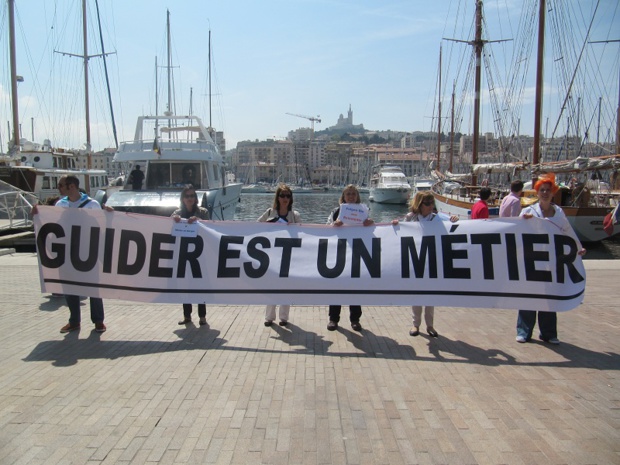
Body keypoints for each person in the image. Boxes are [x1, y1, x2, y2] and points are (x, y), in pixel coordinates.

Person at [32, 175, 109, 333]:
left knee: (93, 288)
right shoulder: (60, 204)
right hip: (67, 252)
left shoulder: (92, 204)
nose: (58, 188)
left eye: (61, 185)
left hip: (88, 252)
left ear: (71, 186)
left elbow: (102, 226)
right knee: (69, 287)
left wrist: (109, 213)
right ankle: (74, 321)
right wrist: (36, 212)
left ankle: (98, 321)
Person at [516, 173, 586, 344]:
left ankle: (548, 333)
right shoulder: (528, 211)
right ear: (537, 192)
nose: (545, 193)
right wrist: (523, 221)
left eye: (548, 190)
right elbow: (515, 230)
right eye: (542, 190)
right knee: (529, 295)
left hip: (552, 262)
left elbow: (568, 232)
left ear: (553, 192)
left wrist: (578, 248)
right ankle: (524, 331)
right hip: (531, 260)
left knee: (549, 296)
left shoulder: (559, 213)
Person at [392, 192, 458, 338]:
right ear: (419, 204)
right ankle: (415, 324)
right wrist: (396, 224)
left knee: (430, 296)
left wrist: (454, 219)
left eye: (431, 203)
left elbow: (454, 223)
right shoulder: (410, 217)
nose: (430, 206)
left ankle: (430, 325)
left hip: (432, 260)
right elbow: (400, 229)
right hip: (416, 261)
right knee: (416, 295)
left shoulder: (438, 218)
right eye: (427, 203)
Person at [326, 185, 374, 332]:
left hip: (357, 254)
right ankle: (333, 319)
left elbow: (374, 229)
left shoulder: (364, 211)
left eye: (354, 194)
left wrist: (370, 223)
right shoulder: (336, 212)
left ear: (357, 196)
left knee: (355, 288)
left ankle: (355, 319)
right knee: (337, 287)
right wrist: (335, 224)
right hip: (339, 254)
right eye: (348, 194)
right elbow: (326, 228)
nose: (351, 196)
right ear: (344, 196)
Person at [257, 184, 301, 327]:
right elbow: (255, 226)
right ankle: (269, 317)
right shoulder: (270, 212)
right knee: (270, 286)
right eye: (282, 195)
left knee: (286, 286)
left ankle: (284, 317)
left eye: (288, 195)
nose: (285, 198)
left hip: (289, 256)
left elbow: (303, 234)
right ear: (277, 197)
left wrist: (292, 228)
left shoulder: (295, 215)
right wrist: (271, 224)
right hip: (271, 256)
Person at [172, 185, 210, 326]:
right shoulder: (177, 212)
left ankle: (202, 317)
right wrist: (173, 219)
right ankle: (187, 316)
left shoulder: (203, 212)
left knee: (200, 286)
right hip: (182, 253)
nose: (190, 199)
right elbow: (167, 227)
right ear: (182, 198)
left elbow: (210, 227)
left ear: (195, 198)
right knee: (184, 285)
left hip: (199, 255)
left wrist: (199, 220)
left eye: (192, 196)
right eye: (187, 196)